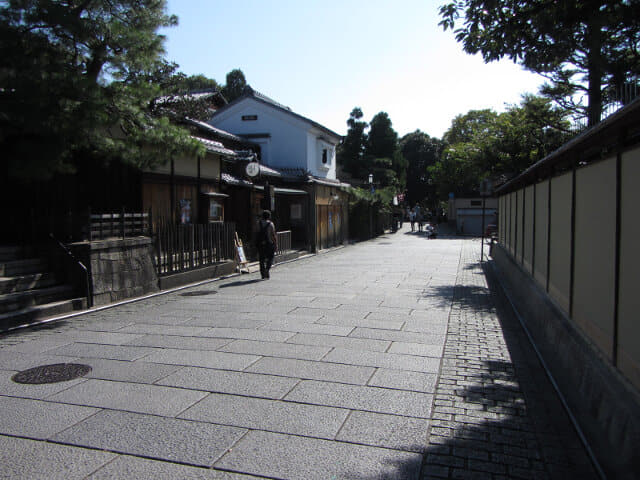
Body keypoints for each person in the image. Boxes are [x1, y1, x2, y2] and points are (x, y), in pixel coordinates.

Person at [256, 210, 277, 279]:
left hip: (260, 243)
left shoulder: (258, 223)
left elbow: (256, 233)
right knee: (271, 257)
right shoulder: (271, 224)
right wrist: (275, 243)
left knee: (261, 259)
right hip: (269, 243)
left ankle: (262, 274)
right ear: (269, 216)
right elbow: (273, 235)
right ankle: (267, 269)